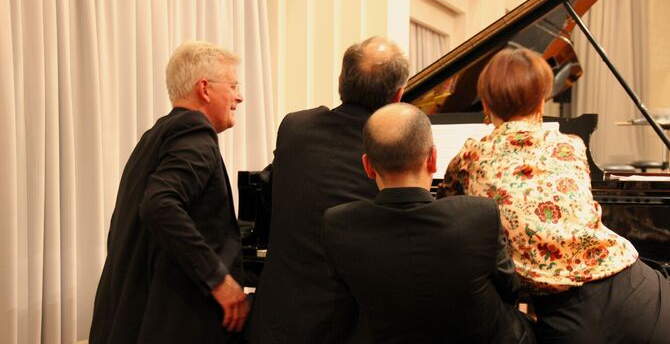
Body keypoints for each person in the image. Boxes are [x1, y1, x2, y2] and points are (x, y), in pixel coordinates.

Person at [437, 47, 670, 343]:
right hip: (636, 288)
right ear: (541, 99)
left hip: (572, 319)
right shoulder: (570, 146)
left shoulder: (469, 158)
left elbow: (446, 218)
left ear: (486, 101)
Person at [322, 103, 535, 343]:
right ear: (433, 159)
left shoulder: (339, 224)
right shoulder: (479, 214)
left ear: (368, 167)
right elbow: (511, 290)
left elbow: (344, 306)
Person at [247, 36, 409, 343]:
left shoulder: (295, 128)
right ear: (398, 97)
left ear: (340, 82)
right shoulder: (392, 153)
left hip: (273, 322)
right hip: (344, 329)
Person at [89, 41, 249, 344]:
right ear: (204, 89)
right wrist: (218, 280)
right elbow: (159, 204)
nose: (239, 96)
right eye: (233, 85)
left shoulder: (154, 137)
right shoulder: (195, 133)